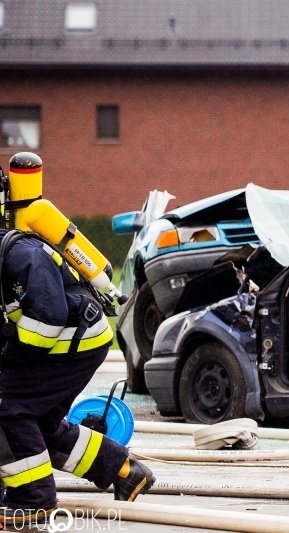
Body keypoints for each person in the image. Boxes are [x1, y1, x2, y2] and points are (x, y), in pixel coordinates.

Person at [0, 153, 155, 527]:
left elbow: (49, 315)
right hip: (72, 342)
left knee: (7, 405)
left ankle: (33, 500)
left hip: (72, 343)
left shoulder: (19, 252)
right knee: (38, 425)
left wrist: (11, 358)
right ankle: (124, 469)